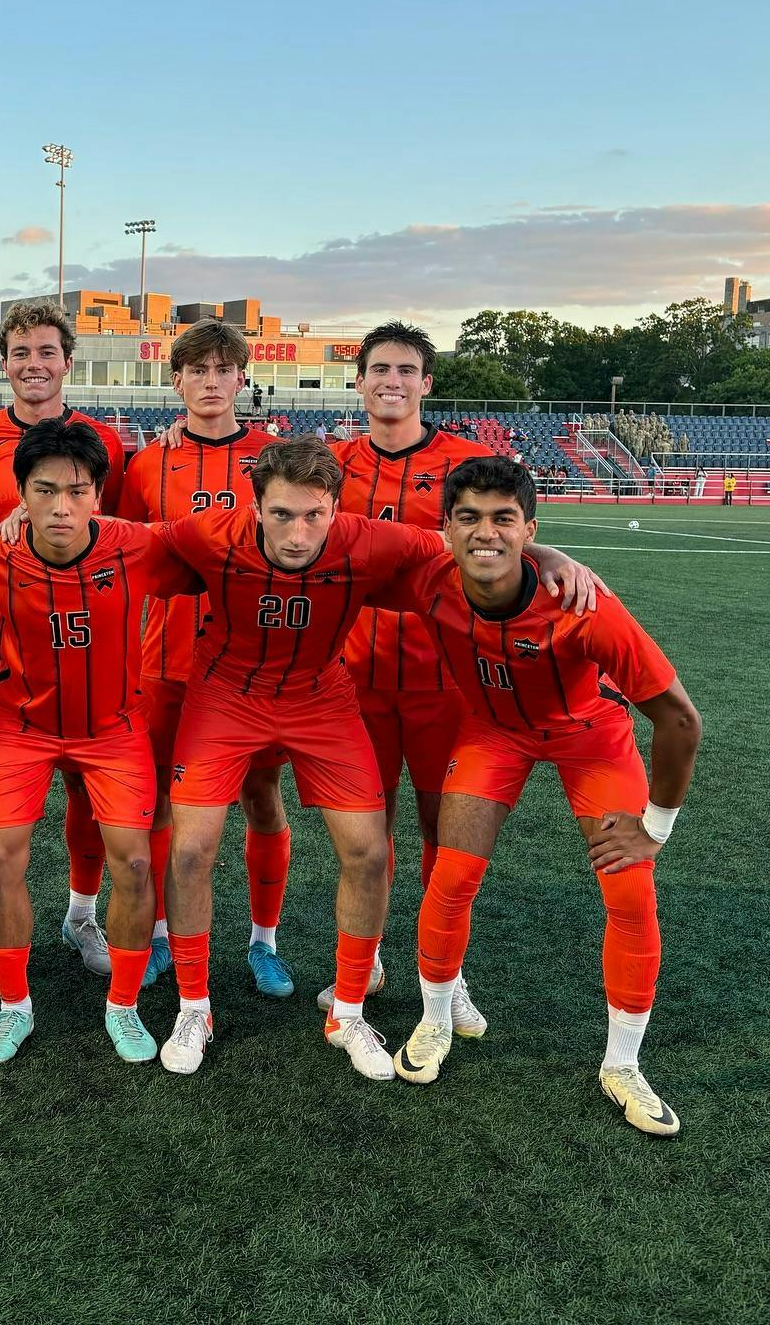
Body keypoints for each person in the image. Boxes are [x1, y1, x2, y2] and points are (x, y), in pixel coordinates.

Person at [152, 438, 596, 1081]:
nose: (298, 533)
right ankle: (194, 1007)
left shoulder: (368, 540)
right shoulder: (208, 534)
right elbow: (123, 542)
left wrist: (544, 552)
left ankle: (350, 1011)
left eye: (314, 515)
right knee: (191, 849)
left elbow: (462, 545)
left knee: (367, 852)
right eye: (281, 515)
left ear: (337, 509)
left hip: (321, 698)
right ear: (255, 509)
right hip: (225, 697)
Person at [380, 457, 700, 1137]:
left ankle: (622, 1064)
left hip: (591, 737)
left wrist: (657, 826)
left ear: (530, 529)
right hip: (493, 733)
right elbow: (340, 550)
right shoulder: (428, 577)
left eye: (504, 519)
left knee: (630, 894)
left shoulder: (584, 607)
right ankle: (435, 1020)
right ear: (446, 528)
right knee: (452, 875)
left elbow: (679, 719)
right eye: (469, 518)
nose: (485, 533)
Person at [0, 419, 197, 1065]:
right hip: (21, 727)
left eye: (77, 491)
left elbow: (225, 541)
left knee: (134, 862)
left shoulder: (138, 546)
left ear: (99, 493)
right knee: (1, 856)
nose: (61, 507)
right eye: (44, 491)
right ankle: (14, 1006)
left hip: (114, 729)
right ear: (21, 495)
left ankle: (122, 1006)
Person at [0, 300, 125, 978]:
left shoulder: (104, 440)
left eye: (47, 352)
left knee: (86, 785)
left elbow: (120, 532)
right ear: (4, 362)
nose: (34, 364)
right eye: (21, 353)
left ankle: (82, 913)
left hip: (84, 639)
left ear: (67, 361)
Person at [320, 320, 493, 1022]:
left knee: (443, 833)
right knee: (366, 835)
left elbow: (502, 541)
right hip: (351, 678)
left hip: (445, 677)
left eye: (406, 370)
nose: (392, 382)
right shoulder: (329, 463)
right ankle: (365, 963)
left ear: (427, 383)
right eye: (379, 369)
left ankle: (447, 976)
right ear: (359, 381)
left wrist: (557, 559)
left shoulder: (469, 461)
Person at [120, 319, 291, 997]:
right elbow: (120, 548)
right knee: (161, 802)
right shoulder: (146, 462)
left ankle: (264, 941)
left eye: (224, 369)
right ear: (177, 382)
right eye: (198, 370)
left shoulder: (276, 457)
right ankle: (163, 934)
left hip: (253, 664)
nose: (211, 381)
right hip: (165, 659)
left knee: (262, 797)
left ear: (242, 378)